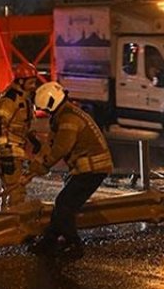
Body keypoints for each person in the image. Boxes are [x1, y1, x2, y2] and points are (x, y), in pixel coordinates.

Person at [33, 81, 113, 256]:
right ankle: (49, 241)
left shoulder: (69, 118)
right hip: (86, 169)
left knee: (64, 204)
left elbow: (61, 148)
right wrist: (37, 163)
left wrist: (45, 165)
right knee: (64, 204)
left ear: (52, 103)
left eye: (46, 109)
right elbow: (50, 143)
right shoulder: (63, 114)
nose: (46, 113)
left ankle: (73, 244)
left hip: (92, 169)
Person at [0, 63, 44, 209]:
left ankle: (3, 220)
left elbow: (20, 125)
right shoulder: (10, 99)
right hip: (8, 151)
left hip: (14, 149)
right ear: (21, 81)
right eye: (31, 82)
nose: (34, 86)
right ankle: (13, 223)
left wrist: (32, 139)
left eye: (35, 82)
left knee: (10, 190)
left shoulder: (24, 98)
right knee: (16, 192)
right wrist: (5, 151)